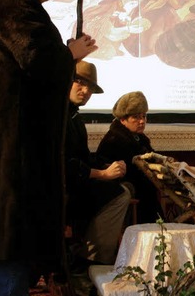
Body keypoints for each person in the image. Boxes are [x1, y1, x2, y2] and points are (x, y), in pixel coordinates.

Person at [0, 0, 98, 295]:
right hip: (15, 157)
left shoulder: (16, 5)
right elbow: (36, 59)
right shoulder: (13, 3)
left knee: (19, 249)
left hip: (17, 152)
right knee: (15, 248)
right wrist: (71, 53)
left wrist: (65, 54)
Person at [65, 61, 131, 266]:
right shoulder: (58, 116)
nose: (85, 91)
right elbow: (64, 164)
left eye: (90, 87)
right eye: (79, 82)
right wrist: (103, 174)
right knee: (120, 194)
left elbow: (83, 157)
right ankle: (91, 259)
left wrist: (108, 167)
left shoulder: (74, 116)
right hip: (60, 189)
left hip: (75, 182)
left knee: (123, 188)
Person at [96, 91, 165, 224]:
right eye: (136, 117)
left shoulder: (138, 137)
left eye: (144, 116)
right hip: (124, 190)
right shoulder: (115, 138)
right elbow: (134, 170)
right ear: (123, 119)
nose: (142, 121)